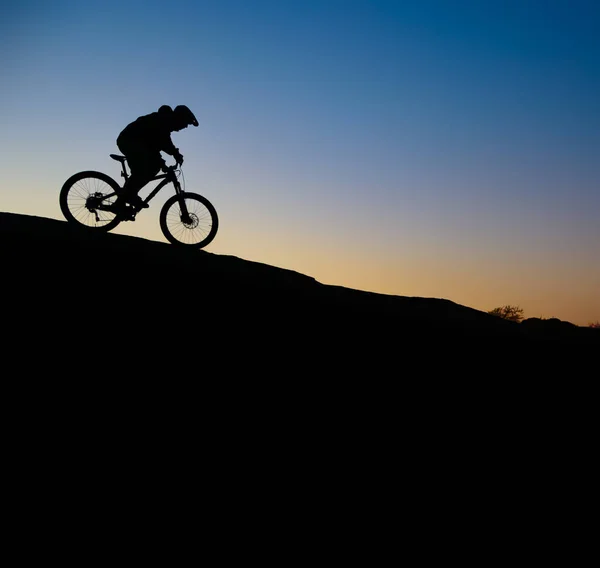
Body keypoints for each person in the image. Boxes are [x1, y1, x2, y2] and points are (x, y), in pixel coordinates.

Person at [112, 104, 198, 215]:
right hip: (129, 140)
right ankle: (126, 198)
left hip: (136, 142)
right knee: (144, 170)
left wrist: (173, 156)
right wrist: (171, 157)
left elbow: (161, 145)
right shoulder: (162, 121)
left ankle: (124, 200)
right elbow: (158, 144)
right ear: (179, 118)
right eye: (185, 123)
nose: (184, 127)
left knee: (151, 168)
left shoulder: (165, 124)